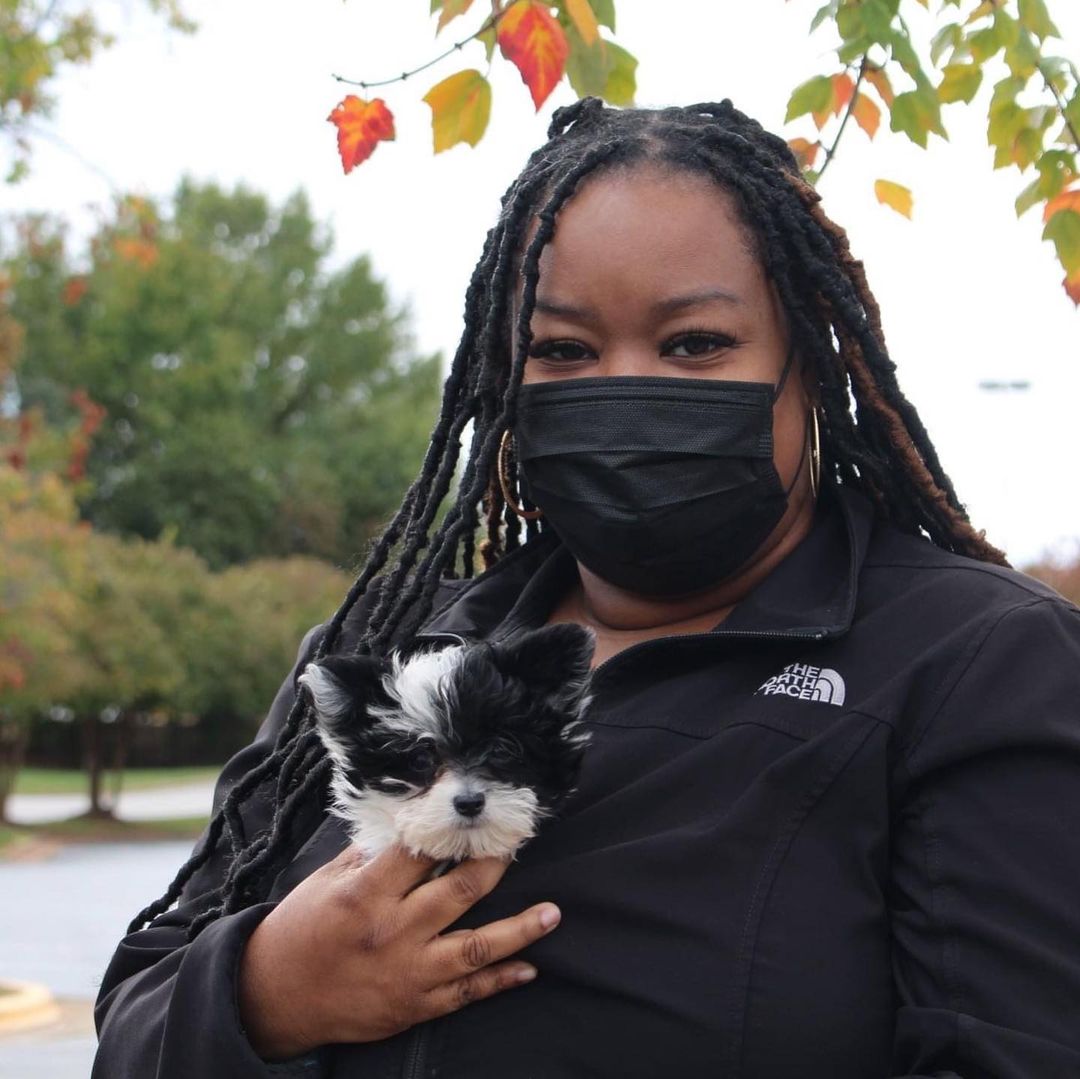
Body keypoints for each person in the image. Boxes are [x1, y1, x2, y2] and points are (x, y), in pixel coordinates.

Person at [93, 98, 1080, 1078]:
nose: (627, 385)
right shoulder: (386, 659)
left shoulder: (979, 662)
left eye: (693, 342)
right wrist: (268, 990)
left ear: (809, 369)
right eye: (563, 350)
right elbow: (137, 1017)